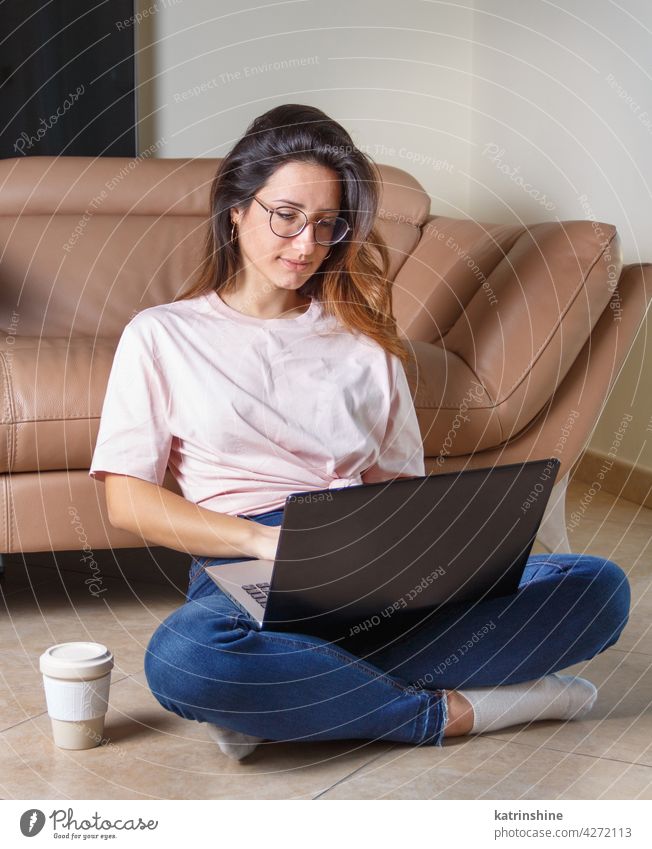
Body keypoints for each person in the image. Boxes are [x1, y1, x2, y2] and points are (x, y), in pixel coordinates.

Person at [89, 103, 630, 761]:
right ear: (236, 207)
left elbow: (399, 493)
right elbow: (126, 498)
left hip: (368, 564)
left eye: (326, 224)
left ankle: (298, 695)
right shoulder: (162, 334)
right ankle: (448, 711)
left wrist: (441, 559)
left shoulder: (366, 345)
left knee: (597, 585)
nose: (305, 245)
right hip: (242, 567)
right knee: (189, 659)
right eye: (285, 216)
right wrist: (266, 541)